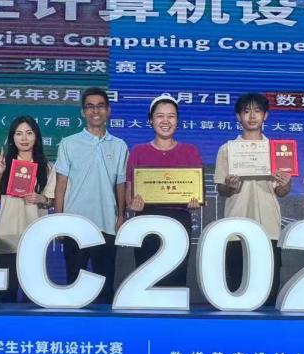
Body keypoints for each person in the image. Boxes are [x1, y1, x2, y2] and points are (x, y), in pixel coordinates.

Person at [54, 87, 129, 305]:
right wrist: (59, 221)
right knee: (74, 286)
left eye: (100, 106)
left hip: (106, 223)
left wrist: (121, 216)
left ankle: (105, 327)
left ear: (108, 110)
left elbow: (121, 184)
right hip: (75, 223)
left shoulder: (119, 145)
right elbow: (60, 185)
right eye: (90, 106)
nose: (95, 111)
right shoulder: (68, 143)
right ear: (83, 112)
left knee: (105, 289)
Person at [214, 93, 291, 304]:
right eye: (246, 111)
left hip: (269, 225)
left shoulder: (277, 149)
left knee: (269, 288)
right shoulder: (227, 149)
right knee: (237, 286)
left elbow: (282, 191)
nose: (252, 116)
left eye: (257, 111)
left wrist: (285, 183)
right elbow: (221, 189)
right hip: (236, 225)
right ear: (238, 117)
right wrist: (230, 186)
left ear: (265, 115)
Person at [126, 95, 203, 288]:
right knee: (145, 276)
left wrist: (196, 201)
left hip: (179, 220)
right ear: (151, 120)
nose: (165, 121)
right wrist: (132, 203)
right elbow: (129, 191)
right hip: (146, 219)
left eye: (171, 116)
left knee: (177, 275)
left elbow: (197, 190)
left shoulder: (190, 151)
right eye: (160, 116)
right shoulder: (138, 151)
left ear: (177, 120)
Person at [0, 116, 56, 303]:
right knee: (5, 295)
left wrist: (42, 199)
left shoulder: (47, 168)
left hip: (34, 237)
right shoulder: (3, 165)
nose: (24, 138)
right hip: (7, 237)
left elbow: (51, 202)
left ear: (36, 137)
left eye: (29, 133)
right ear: (12, 138)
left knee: (31, 296)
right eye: (18, 134)